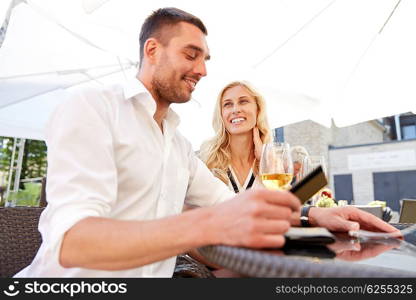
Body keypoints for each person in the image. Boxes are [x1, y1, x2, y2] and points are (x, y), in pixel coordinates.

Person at [16, 7, 399, 278]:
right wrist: (206, 224)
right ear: (152, 50)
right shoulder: (93, 107)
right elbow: (73, 243)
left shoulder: (177, 144)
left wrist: (313, 217)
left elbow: (234, 207)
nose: (202, 70)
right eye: (191, 54)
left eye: (206, 58)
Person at [199, 81, 269, 193]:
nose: (235, 110)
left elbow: (288, 203)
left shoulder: (270, 160)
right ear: (221, 114)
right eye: (228, 104)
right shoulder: (206, 162)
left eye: (243, 101)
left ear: (258, 109)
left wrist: (266, 160)